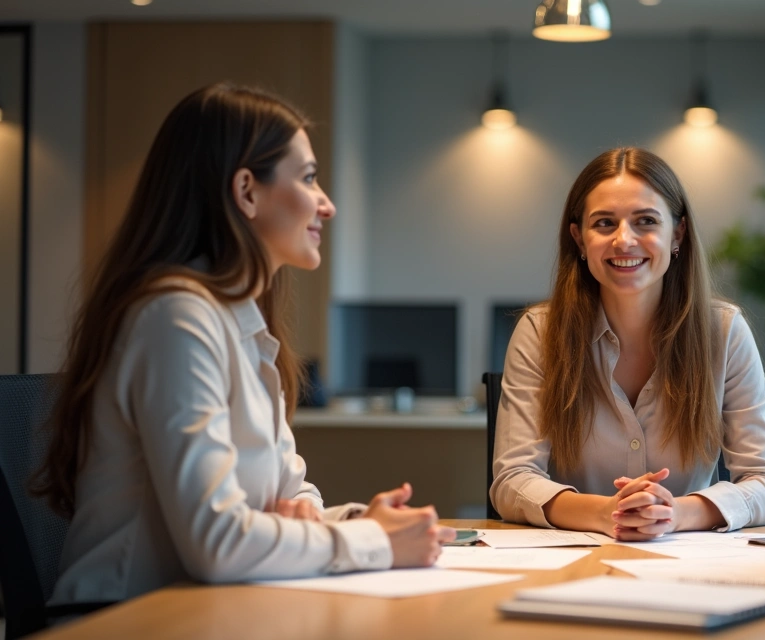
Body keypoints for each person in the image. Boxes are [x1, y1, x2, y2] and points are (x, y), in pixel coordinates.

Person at [32, 83, 455, 605]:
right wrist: (371, 541)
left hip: (208, 612)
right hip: (125, 622)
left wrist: (358, 522)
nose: (327, 205)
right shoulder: (176, 319)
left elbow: (290, 494)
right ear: (247, 192)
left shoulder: (241, 322)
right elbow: (217, 541)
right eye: (308, 178)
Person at [490, 147, 765, 539]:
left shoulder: (724, 332)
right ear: (578, 239)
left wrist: (675, 514)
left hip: (687, 564)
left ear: (677, 233)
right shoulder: (539, 334)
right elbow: (512, 480)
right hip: (576, 562)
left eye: (646, 221)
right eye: (604, 223)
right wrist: (606, 514)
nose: (624, 240)